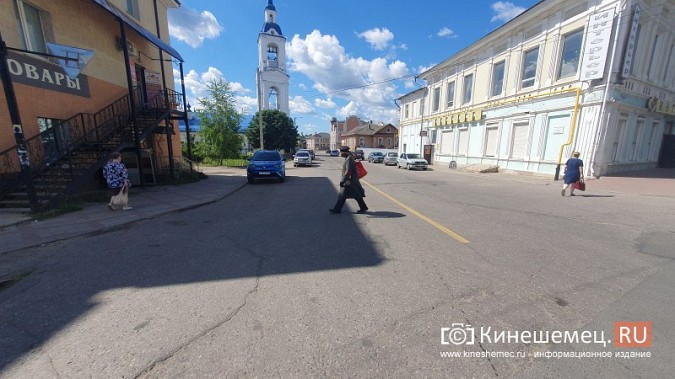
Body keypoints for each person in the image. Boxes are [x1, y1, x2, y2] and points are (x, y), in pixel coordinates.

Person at [329, 146, 368, 214]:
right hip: (350, 181)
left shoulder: (349, 159)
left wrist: (343, 181)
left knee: (344, 195)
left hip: (349, 182)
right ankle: (337, 209)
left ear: (344, 153)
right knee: (353, 195)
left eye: (341, 152)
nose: (340, 154)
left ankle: (337, 209)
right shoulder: (349, 158)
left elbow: (348, 171)